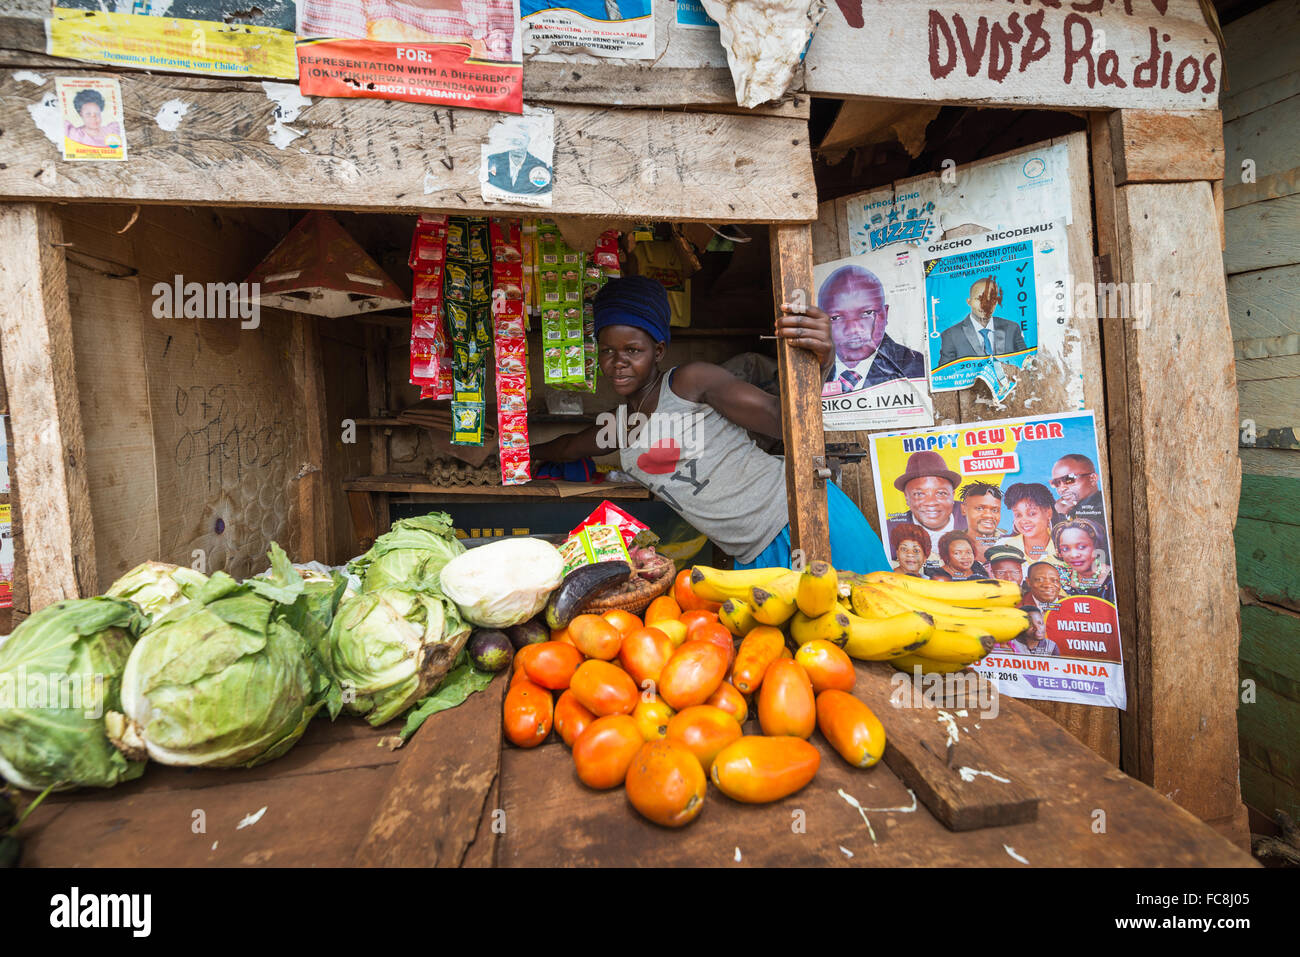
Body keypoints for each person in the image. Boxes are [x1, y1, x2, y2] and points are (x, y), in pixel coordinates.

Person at [529, 276, 890, 573]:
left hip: (801, 518)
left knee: (874, 631)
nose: (618, 362)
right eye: (607, 351)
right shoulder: (622, 426)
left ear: (657, 351)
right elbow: (570, 446)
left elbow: (783, 422)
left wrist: (823, 362)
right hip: (751, 558)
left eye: (632, 350)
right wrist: (517, 454)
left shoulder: (689, 382)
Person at [817, 265, 924, 394]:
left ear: (885, 314)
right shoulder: (813, 367)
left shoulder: (914, 366)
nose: (852, 329)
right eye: (836, 318)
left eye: (867, 313)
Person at [885, 449, 966, 568]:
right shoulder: (890, 531)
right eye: (919, 494)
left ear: (953, 495)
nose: (931, 502)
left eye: (941, 493)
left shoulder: (974, 517)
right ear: (907, 498)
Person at [936, 277, 1029, 367]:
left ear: (996, 302)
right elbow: (946, 375)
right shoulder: (951, 336)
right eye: (979, 299)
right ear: (969, 302)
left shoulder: (1012, 328)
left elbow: (1026, 365)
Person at [1050, 453, 1108, 552]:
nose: (1061, 489)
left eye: (1069, 479)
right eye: (1056, 483)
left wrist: (1060, 516)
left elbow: (1065, 549)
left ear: (1093, 478)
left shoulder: (1103, 509)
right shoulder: (1071, 508)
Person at [994, 482, 1058, 565]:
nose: (1024, 521)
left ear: (1048, 513)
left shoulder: (1063, 546)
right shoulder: (1003, 546)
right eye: (1018, 515)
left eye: (1032, 514)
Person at [1052, 518, 1115, 603]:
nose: (1074, 555)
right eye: (1065, 549)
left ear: (1096, 546)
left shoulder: (1114, 578)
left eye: (1082, 547)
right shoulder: (1059, 577)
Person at [485, 125, 552, 195]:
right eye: (515, 138)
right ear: (509, 140)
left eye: (522, 138)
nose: (518, 143)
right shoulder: (491, 161)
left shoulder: (545, 169)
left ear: (528, 140)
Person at [957, 480, 1007, 564]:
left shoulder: (1010, 541)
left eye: (995, 510)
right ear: (963, 509)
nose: (988, 515)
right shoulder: (950, 543)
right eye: (979, 508)